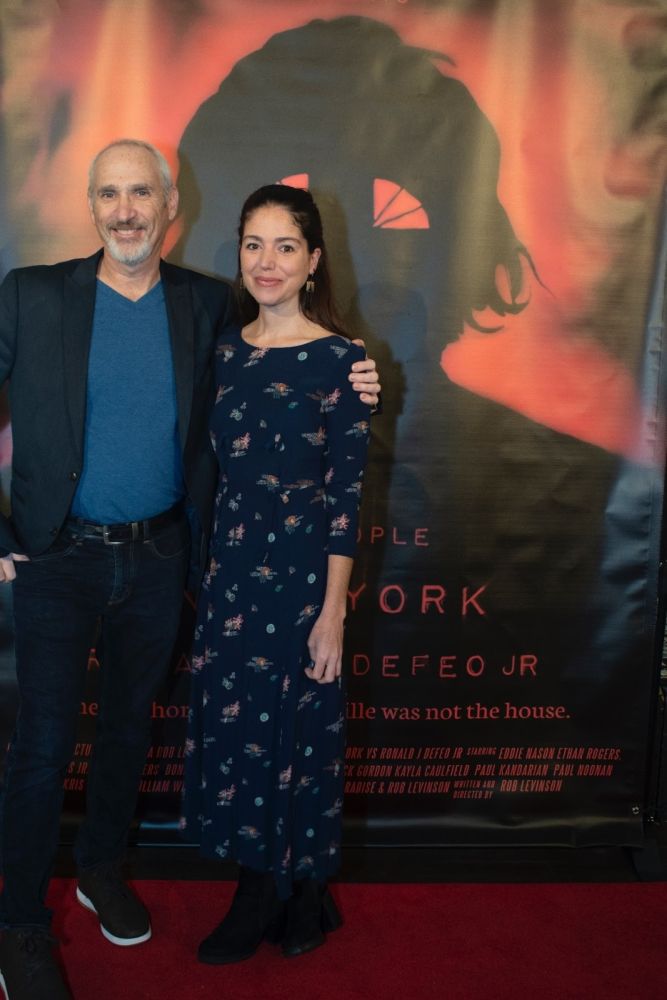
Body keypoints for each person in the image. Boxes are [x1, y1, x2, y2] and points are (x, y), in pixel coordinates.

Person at [0, 139, 379, 1000]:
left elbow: (294, 363)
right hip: (56, 557)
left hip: (162, 556)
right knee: (43, 748)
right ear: (91, 205)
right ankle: (19, 923)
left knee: (128, 732)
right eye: (109, 193)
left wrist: (359, 380)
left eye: (142, 192)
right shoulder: (31, 293)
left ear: (170, 205)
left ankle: (100, 868)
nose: (125, 210)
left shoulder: (207, 305)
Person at [180, 183, 370, 963]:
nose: (267, 261)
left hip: (301, 586)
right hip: (230, 577)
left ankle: (269, 889)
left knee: (293, 732)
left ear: (313, 259)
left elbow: (345, 497)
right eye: (253, 244)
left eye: (285, 246)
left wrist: (332, 613)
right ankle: (297, 890)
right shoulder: (224, 351)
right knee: (239, 732)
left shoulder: (343, 362)